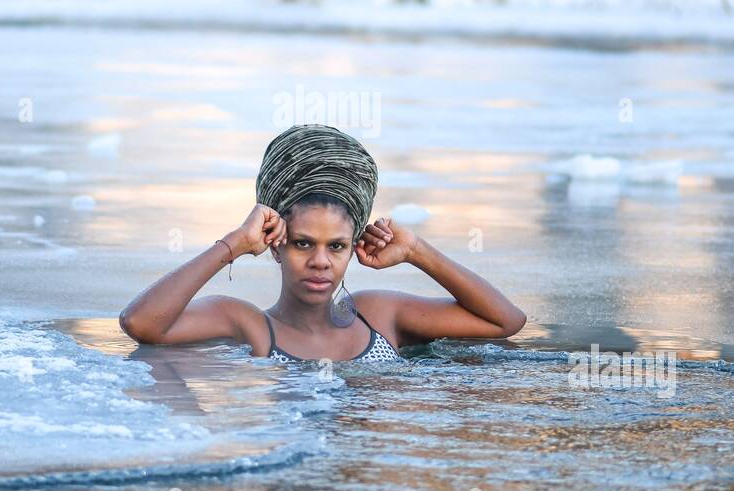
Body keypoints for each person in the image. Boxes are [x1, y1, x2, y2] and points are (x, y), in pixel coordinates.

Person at [119, 124, 527, 364]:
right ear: (275, 245)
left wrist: (416, 251)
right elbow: (141, 324)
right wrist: (234, 244)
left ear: (354, 248)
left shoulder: (379, 317)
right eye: (302, 244)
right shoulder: (250, 326)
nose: (320, 262)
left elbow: (505, 322)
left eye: (336, 246)